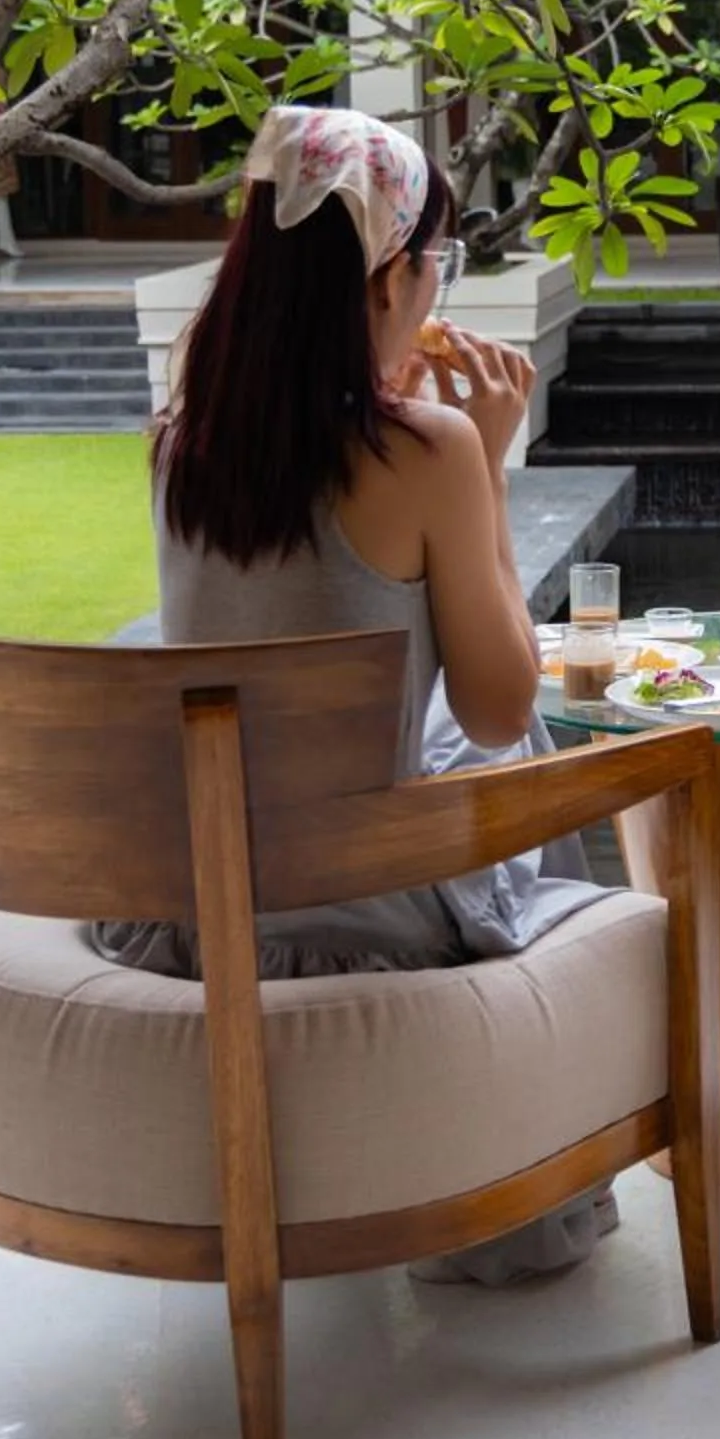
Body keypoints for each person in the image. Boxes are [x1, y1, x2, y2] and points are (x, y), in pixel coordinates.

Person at [97, 102, 616, 1280]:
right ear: (385, 280)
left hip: (198, 893)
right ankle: (518, 1203)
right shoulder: (425, 447)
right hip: (365, 900)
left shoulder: (181, 439)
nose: (440, 291)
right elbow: (496, 698)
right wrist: (483, 466)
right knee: (522, 740)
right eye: (437, 261)